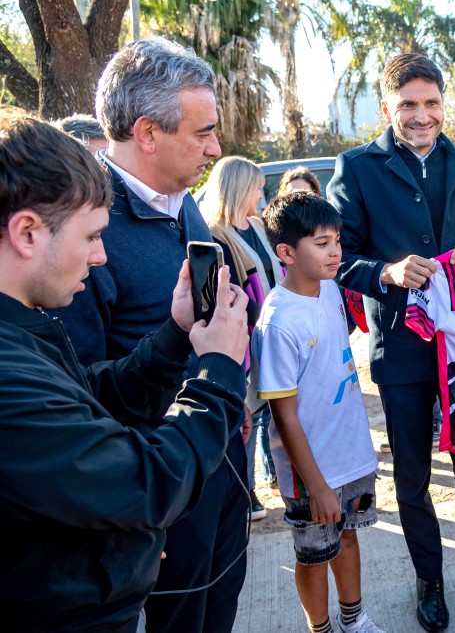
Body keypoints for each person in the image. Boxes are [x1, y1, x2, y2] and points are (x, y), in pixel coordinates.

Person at [0, 107, 249, 632]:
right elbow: (144, 484)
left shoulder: (23, 330)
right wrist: (219, 373)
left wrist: (176, 335)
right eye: (91, 237)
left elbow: (88, 399)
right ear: (26, 233)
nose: (99, 258)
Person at [327, 53, 455, 632]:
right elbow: (338, 258)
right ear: (387, 108)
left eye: (431, 103)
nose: (421, 116)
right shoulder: (356, 167)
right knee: (412, 476)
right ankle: (429, 580)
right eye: (408, 105)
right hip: (402, 349)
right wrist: (385, 272)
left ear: (444, 104)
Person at [253, 192, 384, 633]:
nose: (335, 252)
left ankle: (354, 619)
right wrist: (317, 486)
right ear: (286, 252)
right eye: (322, 243)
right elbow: (284, 417)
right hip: (311, 474)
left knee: (348, 536)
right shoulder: (277, 322)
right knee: (313, 554)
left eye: (337, 241)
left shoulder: (330, 290)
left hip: (351, 458)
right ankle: (321, 628)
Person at [201, 155, 285, 522]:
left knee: (276, 407)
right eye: (255, 185)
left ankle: (279, 476)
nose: (260, 192)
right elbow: (231, 290)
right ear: (238, 188)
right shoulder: (215, 234)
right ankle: (245, 491)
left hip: (277, 329)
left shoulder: (257, 224)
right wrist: (263, 322)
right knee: (247, 411)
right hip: (248, 337)